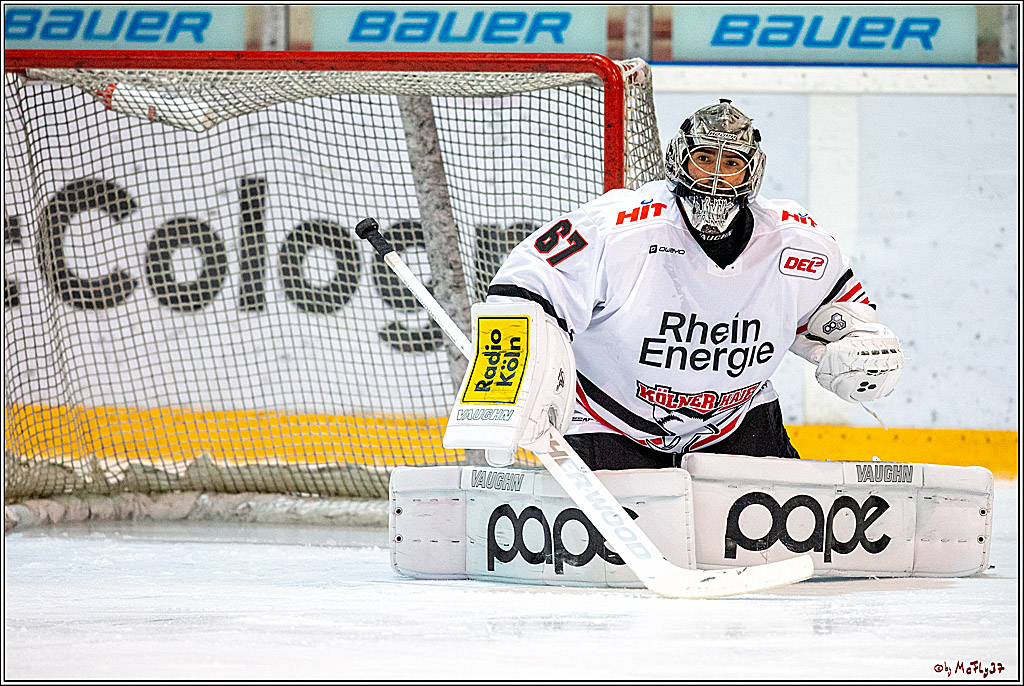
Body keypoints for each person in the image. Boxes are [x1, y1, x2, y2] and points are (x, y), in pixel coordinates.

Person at [485, 99, 904, 470]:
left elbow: (842, 321)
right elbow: (523, 290)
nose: (717, 178)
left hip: (737, 424)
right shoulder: (617, 229)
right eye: (705, 159)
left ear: (752, 171)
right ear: (679, 161)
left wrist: (864, 351)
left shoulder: (795, 242)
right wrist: (506, 389)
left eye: (731, 163)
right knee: (600, 558)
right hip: (609, 421)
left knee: (775, 548)